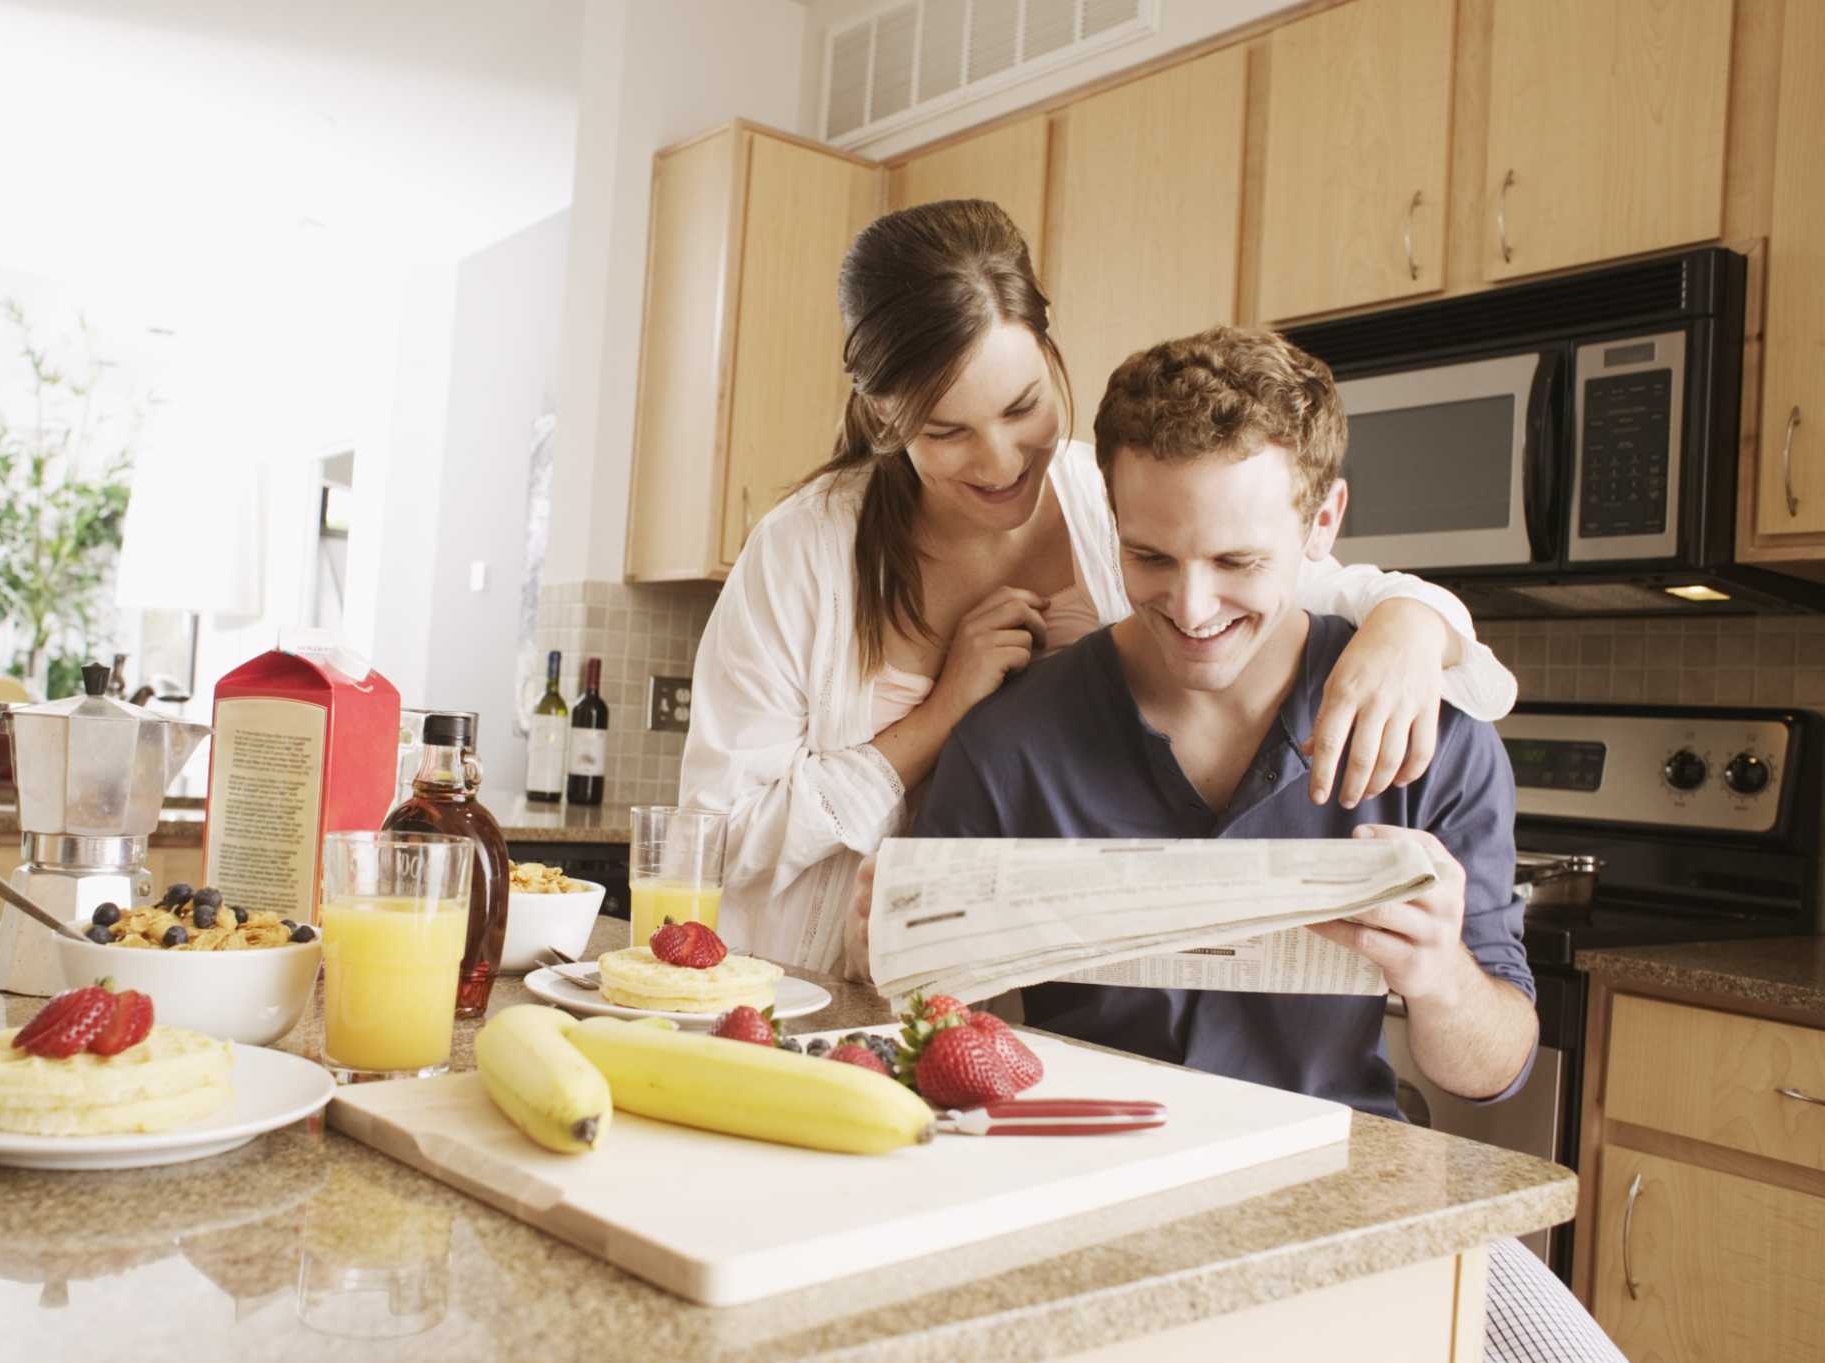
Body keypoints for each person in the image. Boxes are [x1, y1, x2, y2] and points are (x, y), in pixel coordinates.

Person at [888, 325, 1621, 1363]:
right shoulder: (1013, 744)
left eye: (1237, 561)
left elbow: (1488, 1071)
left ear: (1322, 521)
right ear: (1111, 518)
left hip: (1350, 1200)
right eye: (1148, 555)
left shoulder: (1436, 744)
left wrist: (1441, 977)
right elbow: (930, 1032)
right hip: (1088, 1209)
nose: (1189, 608)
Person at [681, 199, 1517, 975]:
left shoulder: (1109, 498)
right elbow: (714, 845)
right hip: (804, 990)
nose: (1002, 461)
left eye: (1022, 408)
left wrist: (1413, 624)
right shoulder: (802, 551)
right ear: (885, 416)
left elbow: (1306, 575)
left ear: (1051, 354)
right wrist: (942, 717)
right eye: (947, 431)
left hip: (1005, 1010)